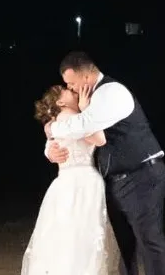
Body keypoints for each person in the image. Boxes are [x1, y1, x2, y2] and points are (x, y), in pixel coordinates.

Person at [44, 51, 165, 275]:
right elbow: (77, 133)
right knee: (123, 244)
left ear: (85, 76)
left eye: (71, 83)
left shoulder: (111, 92)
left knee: (149, 239)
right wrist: (50, 149)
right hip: (112, 181)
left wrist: (50, 129)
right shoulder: (85, 103)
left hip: (141, 174)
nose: (71, 88)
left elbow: (86, 125)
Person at [21, 85, 120, 275]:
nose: (72, 90)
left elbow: (52, 136)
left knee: (66, 237)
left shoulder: (57, 122)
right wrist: (86, 110)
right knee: (81, 238)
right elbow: (100, 139)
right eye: (66, 90)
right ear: (60, 102)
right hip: (81, 182)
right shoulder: (71, 117)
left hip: (66, 182)